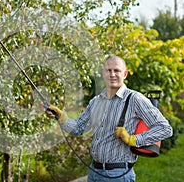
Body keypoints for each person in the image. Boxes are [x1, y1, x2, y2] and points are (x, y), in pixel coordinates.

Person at [45, 56, 173, 182]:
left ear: (125, 74)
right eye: (108, 70)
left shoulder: (135, 99)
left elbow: (165, 128)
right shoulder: (96, 101)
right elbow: (78, 128)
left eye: (116, 70)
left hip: (117, 175)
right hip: (94, 172)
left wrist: (133, 139)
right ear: (103, 73)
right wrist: (60, 117)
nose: (112, 74)